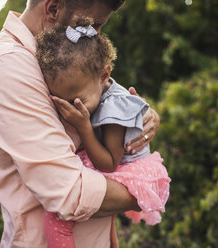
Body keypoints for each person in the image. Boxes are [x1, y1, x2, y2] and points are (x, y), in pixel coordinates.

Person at [0, 0, 161, 247]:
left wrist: (138, 116)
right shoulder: (8, 68)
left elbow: (106, 92)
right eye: (91, 25)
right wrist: (145, 190)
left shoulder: (63, 61)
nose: (93, 36)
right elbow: (71, 193)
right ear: (53, 9)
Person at [35, 16, 171, 247]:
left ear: (104, 75)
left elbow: (108, 163)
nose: (72, 106)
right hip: (114, 162)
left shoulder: (114, 109)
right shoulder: (94, 84)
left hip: (125, 169)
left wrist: (84, 127)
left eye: (79, 100)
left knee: (56, 219)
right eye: (65, 100)